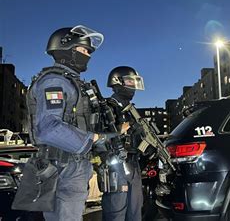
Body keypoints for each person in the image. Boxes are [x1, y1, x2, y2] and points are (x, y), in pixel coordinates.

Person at [26, 26, 104, 220]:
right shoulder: (56, 82)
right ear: (67, 48)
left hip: (68, 163)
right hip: (64, 165)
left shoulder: (69, 82)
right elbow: (48, 127)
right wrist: (91, 139)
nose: (88, 55)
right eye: (84, 50)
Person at [100, 66, 145, 221]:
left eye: (134, 82)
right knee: (116, 211)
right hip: (116, 165)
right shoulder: (107, 107)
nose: (132, 86)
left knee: (135, 211)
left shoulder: (130, 111)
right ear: (117, 82)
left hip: (133, 164)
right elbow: (97, 138)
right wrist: (118, 131)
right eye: (129, 81)